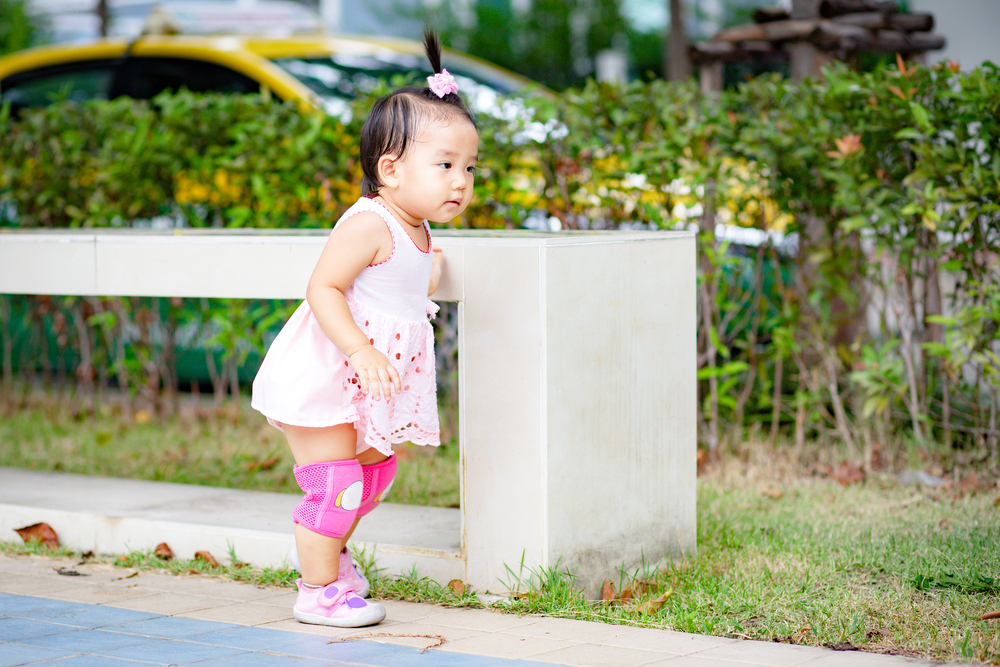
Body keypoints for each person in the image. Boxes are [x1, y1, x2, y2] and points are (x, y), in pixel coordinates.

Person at [251, 30, 478, 628]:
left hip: (369, 382)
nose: (461, 181)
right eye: (445, 165)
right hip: (328, 373)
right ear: (390, 169)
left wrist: (427, 279)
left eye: (469, 167)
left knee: (375, 475)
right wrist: (360, 348)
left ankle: (330, 553)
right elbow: (323, 288)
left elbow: (394, 291)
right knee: (338, 485)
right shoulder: (370, 222)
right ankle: (317, 590)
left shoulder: (417, 228)